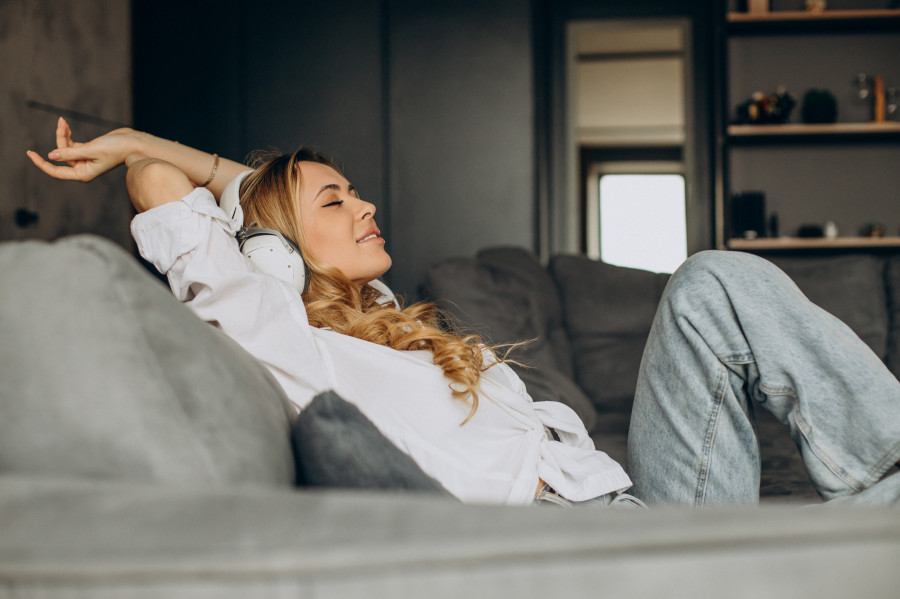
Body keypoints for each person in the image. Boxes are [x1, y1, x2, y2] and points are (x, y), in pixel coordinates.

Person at [27, 118, 900, 508]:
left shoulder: (369, 316)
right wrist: (136, 151)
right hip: (587, 538)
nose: (366, 206)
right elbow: (180, 203)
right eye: (337, 201)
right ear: (280, 247)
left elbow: (246, 191)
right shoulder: (278, 329)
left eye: (355, 191)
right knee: (713, 284)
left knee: (712, 282)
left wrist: (273, 206)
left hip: (632, 497)